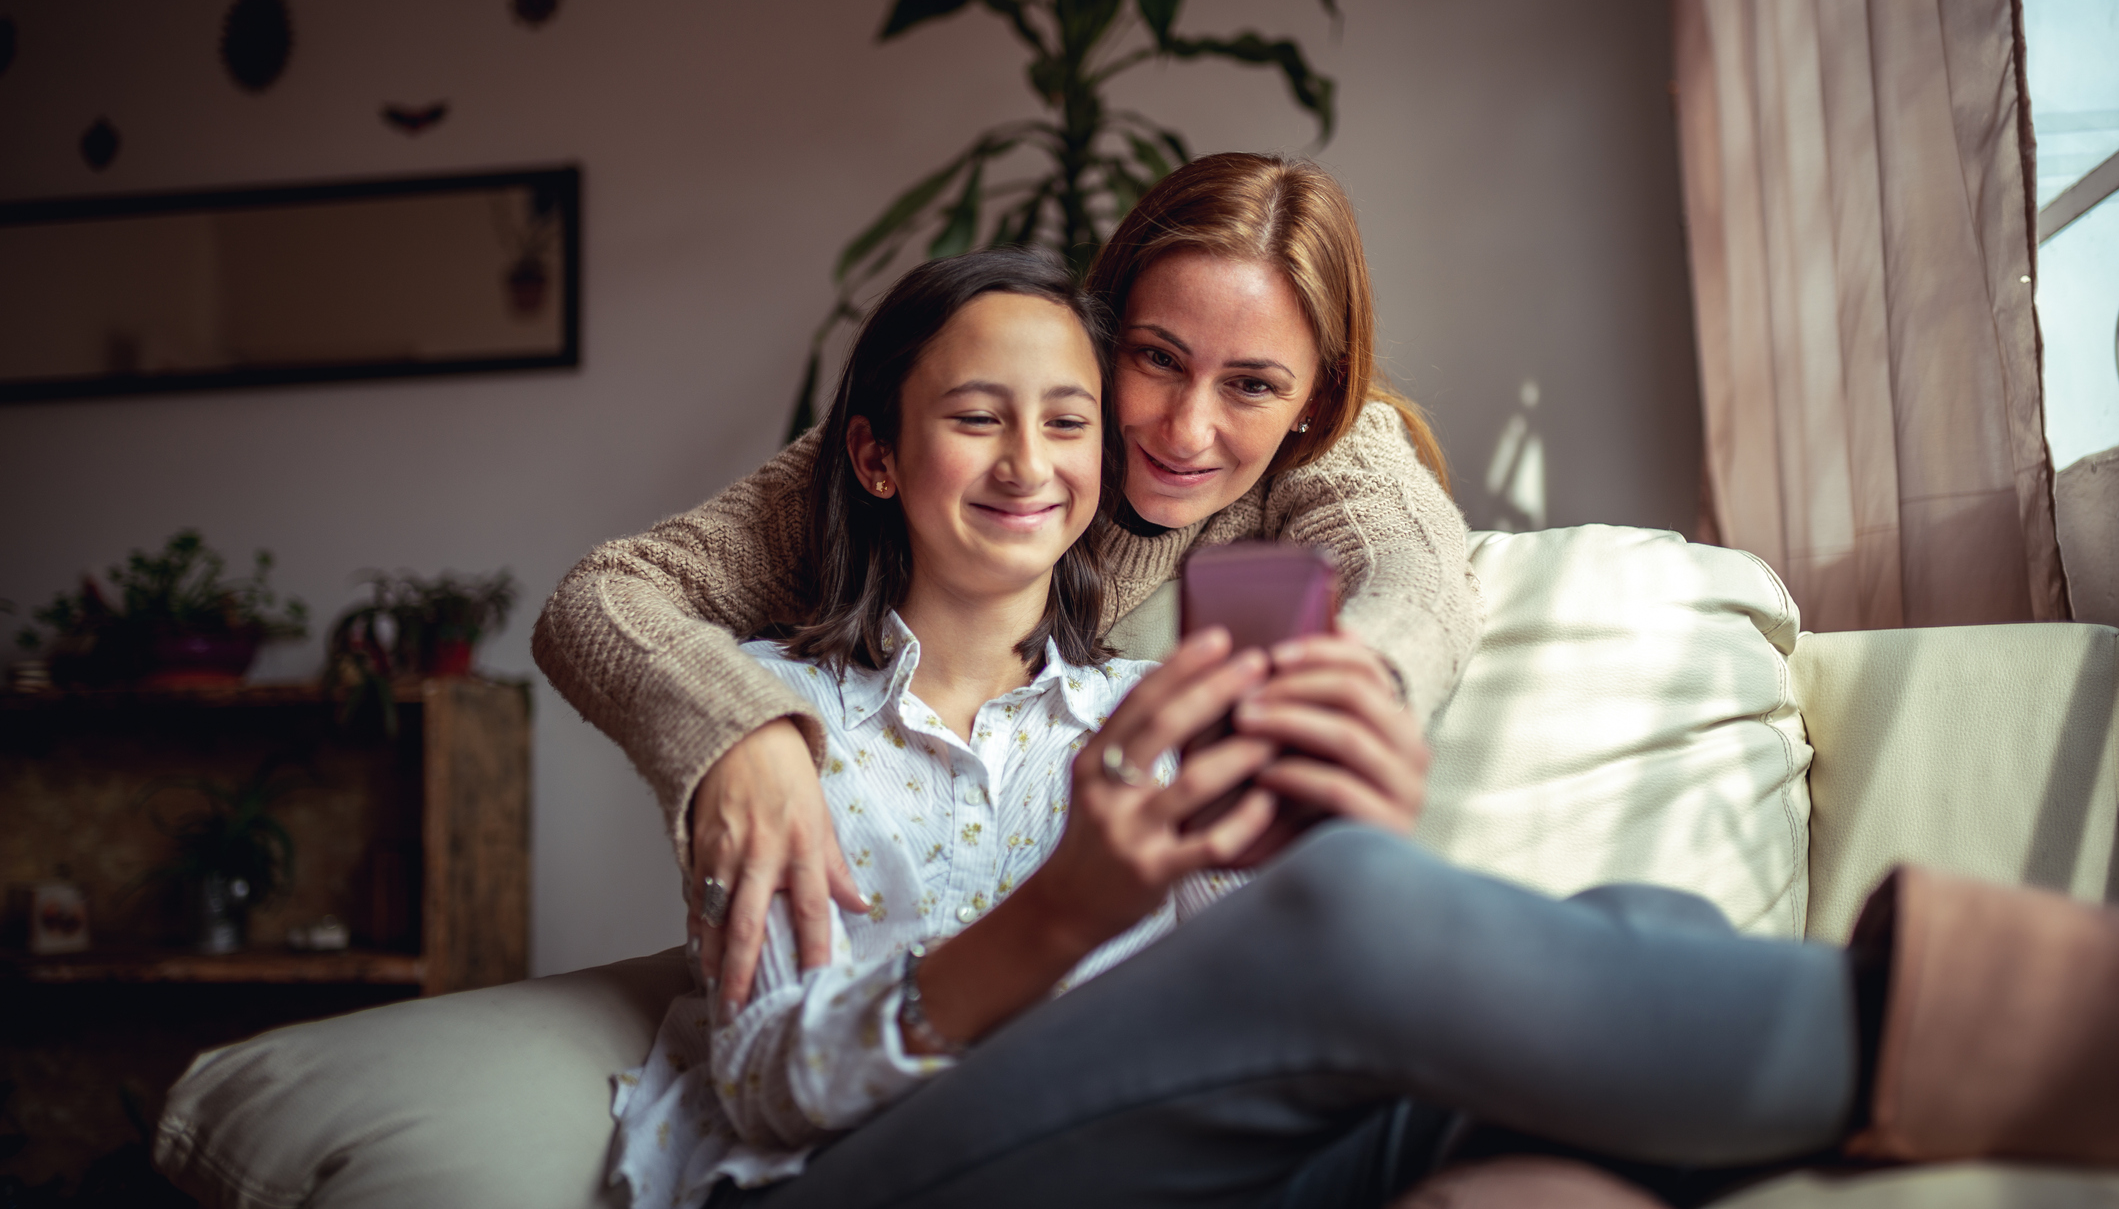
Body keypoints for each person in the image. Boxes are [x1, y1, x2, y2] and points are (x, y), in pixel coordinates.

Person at [600, 248, 2119, 1209]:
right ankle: (2049, 1032)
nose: (1030, 460)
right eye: (973, 415)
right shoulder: (773, 731)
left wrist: (1341, 817)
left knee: (1600, 1000)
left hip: (1167, 1158)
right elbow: (769, 1081)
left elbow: (1280, 979)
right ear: (870, 452)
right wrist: (1070, 909)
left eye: (1066, 419)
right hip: (854, 1173)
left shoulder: (1133, 716)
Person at [534, 154, 1480, 1010]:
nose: (1186, 430)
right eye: (1154, 358)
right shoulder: (949, 441)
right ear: (1095, 336)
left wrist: (1356, 693)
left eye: (1251, 386)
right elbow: (606, 595)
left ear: (1312, 397)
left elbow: (1418, 576)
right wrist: (741, 731)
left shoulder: (1325, 448)